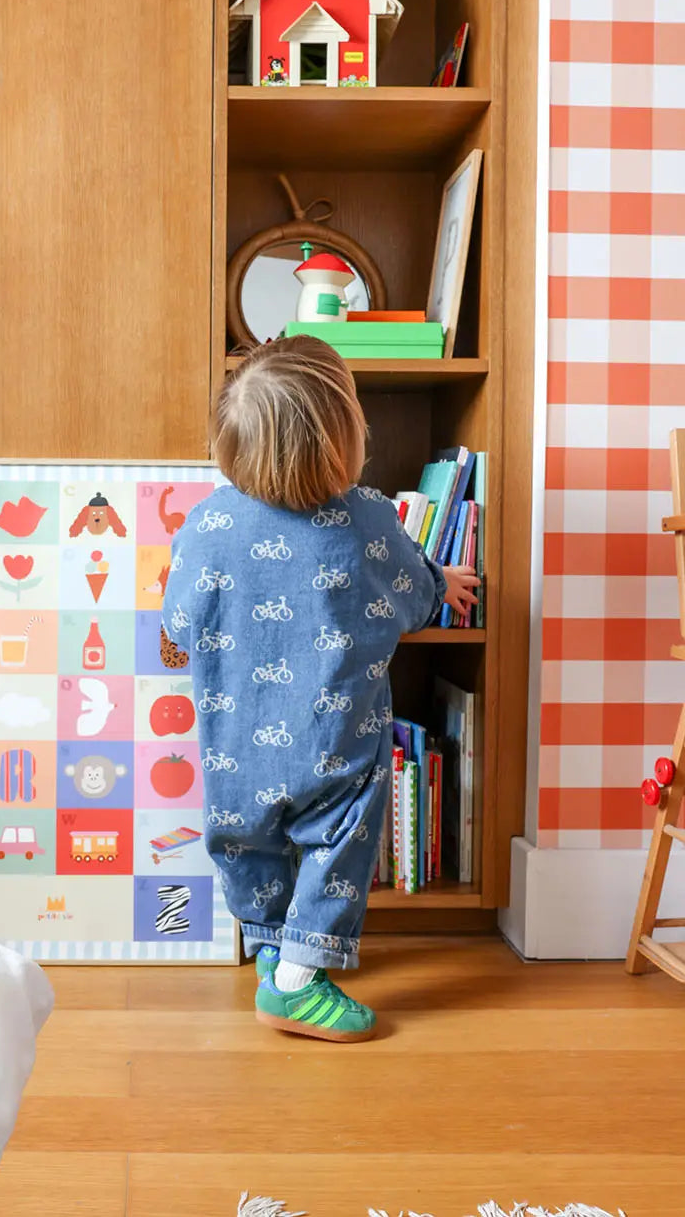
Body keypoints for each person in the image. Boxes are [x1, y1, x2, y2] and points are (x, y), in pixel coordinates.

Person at [161, 337, 479, 1042]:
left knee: (246, 842)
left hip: (235, 747)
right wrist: (441, 585)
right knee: (339, 842)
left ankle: (275, 945)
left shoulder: (207, 523)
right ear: (343, 440)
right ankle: (300, 982)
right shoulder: (367, 518)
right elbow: (410, 594)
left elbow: (178, 621)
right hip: (335, 743)